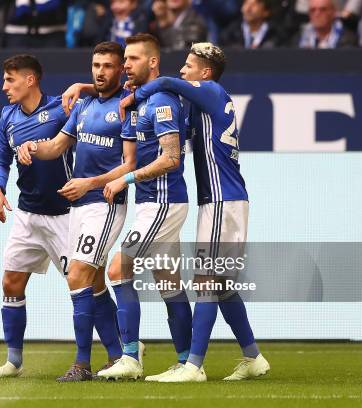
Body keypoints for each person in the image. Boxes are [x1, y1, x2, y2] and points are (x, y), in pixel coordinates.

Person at [122, 42, 270, 382]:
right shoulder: (207, 102)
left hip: (221, 200)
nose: (183, 70)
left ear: (205, 73)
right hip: (225, 199)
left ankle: (193, 366)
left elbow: (165, 83)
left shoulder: (211, 90)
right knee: (222, 285)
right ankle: (253, 357)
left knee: (205, 280)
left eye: (189, 65)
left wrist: (135, 95)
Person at [0, 54, 122, 379]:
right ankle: (13, 361)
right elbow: (2, 159)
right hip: (27, 214)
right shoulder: (7, 116)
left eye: (10, 80)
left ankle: (118, 354)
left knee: (92, 281)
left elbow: (101, 97)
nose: (4, 87)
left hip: (65, 214)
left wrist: (82, 86)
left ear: (30, 80)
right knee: (11, 281)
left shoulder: (63, 107)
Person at [17, 42, 136, 381]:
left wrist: (89, 182)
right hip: (79, 206)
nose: (100, 71)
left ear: (120, 70)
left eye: (108, 66)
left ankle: (82, 363)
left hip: (106, 203)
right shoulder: (82, 106)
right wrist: (31, 147)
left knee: (78, 275)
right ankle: (120, 355)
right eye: (96, 65)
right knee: (93, 280)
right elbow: (56, 147)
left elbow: (130, 164)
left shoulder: (127, 106)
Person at [90, 33, 192, 381]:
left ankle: (130, 356)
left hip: (163, 201)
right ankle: (187, 362)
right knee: (169, 282)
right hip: (151, 203)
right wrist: (80, 86)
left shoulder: (162, 101)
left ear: (152, 62)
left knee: (118, 269)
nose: (125, 65)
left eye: (132, 59)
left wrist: (125, 180)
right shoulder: (137, 102)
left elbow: (172, 158)